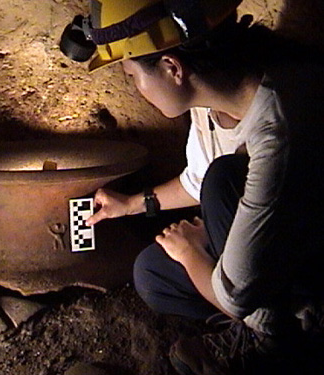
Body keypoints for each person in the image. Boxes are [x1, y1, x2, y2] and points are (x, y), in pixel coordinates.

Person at [60, 1, 324, 374]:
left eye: (132, 76)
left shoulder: (277, 130)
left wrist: (190, 253)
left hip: (311, 258)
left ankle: (275, 338)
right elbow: (195, 180)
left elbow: (235, 295)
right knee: (152, 274)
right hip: (275, 245)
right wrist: (132, 203)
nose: (137, 89)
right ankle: (283, 315)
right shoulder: (213, 90)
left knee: (223, 183)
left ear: (172, 67)